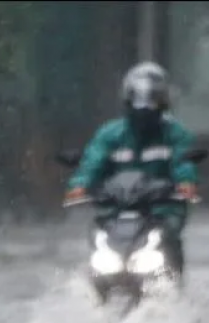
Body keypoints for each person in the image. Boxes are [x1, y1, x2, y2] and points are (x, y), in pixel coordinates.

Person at [63, 62, 200, 273]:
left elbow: (183, 163)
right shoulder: (110, 134)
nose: (144, 106)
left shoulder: (175, 135)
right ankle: (94, 281)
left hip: (161, 210)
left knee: (170, 235)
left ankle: (172, 284)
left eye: (151, 99)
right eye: (138, 98)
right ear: (127, 98)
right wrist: (80, 185)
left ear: (163, 100)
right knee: (96, 234)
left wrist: (185, 183)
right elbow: (92, 162)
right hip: (116, 210)